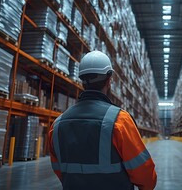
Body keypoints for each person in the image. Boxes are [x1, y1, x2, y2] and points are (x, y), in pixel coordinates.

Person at [49, 50, 157, 190]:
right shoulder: (120, 120)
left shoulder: (57, 125)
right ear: (109, 80)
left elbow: (59, 170)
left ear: (82, 82)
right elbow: (145, 175)